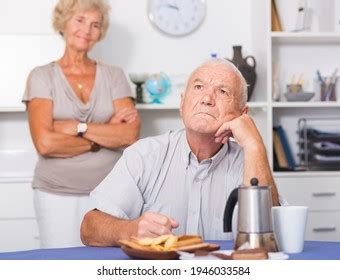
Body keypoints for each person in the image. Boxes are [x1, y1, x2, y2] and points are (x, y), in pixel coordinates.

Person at [80, 58, 280, 246]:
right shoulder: (144, 155)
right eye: (199, 87)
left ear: (242, 114)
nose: (207, 98)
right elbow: (89, 227)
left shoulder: (251, 161)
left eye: (223, 91)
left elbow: (273, 236)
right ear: (182, 104)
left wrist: (254, 145)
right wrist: (129, 230)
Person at [23, 0, 140, 248]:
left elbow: (129, 134)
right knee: (60, 265)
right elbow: (45, 143)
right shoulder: (42, 76)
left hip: (111, 191)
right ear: (63, 23)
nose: (87, 30)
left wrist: (78, 127)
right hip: (56, 192)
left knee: (106, 264)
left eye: (95, 24)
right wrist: (105, 134)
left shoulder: (114, 75)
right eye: (80, 20)